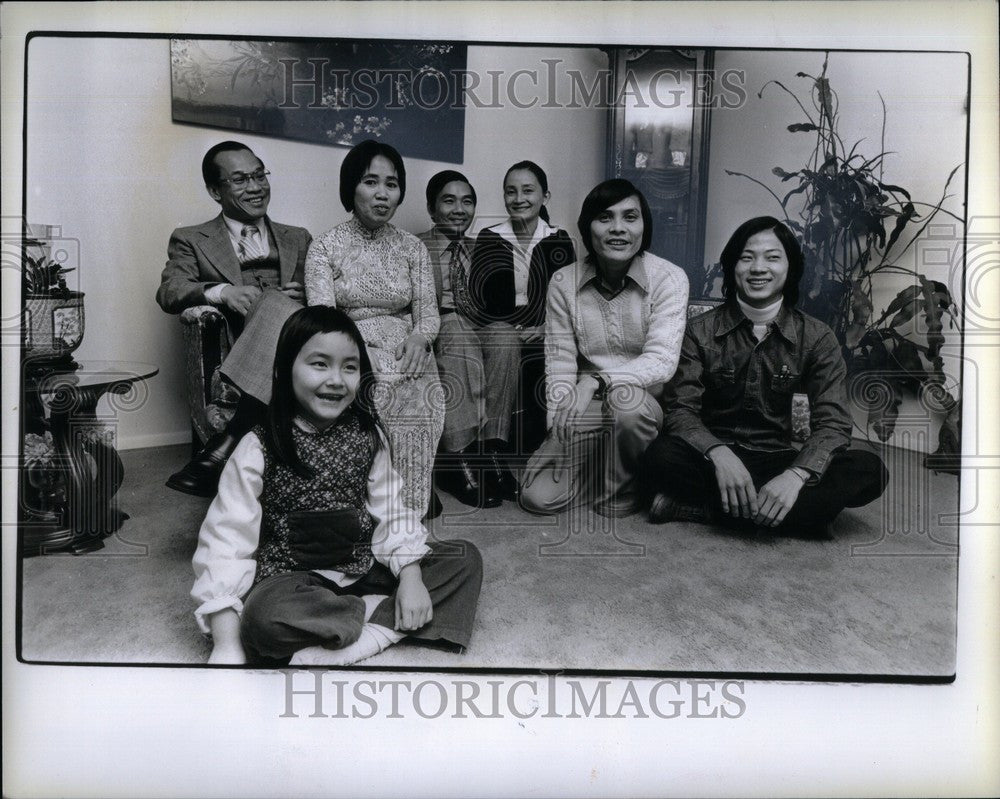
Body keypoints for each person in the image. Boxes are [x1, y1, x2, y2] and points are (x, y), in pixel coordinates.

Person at [191, 305, 482, 666]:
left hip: (362, 569)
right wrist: (225, 640)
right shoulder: (259, 444)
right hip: (293, 581)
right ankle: (380, 620)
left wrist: (410, 577)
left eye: (349, 367)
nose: (336, 379)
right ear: (284, 370)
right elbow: (226, 538)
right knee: (260, 621)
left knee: (464, 559)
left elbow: (391, 509)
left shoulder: (368, 435)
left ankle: (362, 633)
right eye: (319, 364)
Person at [643, 216, 889, 536]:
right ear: (732, 266)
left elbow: (834, 423)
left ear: (790, 268)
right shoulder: (699, 331)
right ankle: (799, 519)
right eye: (747, 257)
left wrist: (795, 476)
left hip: (779, 458)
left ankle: (704, 509)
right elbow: (681, 411)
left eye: (772, 257)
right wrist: (719, 454)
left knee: (870, 470)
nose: (759, 268)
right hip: (715, 458)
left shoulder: (817, 336)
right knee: (658, 456)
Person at [520, 179, 689, 517]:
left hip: (643, 406)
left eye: (630, 217)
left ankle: (622, 486)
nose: (618, 229)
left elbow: (661, 362)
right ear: (588, 227)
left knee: (626, 406)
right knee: (537, 498)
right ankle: (612, 463)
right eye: (605, 218)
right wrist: (558, 431)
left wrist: (596, 381)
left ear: (644, 226)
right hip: (588, 407)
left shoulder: (669, 278)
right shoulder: (563, 282)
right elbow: (560, 362)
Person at [157, 141, 312, 497]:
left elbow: (324, 290)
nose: (256, 187)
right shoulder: (191, 239)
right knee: (272, 305)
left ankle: (228, 441)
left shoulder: (298, 237)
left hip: (301, 339)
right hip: (239, 340)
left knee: (278, 304)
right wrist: (223, 292)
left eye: (260, 175)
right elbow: (170, 290)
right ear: (215, 191)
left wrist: (306, 295)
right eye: (240, 180)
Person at [304, 140, 444, 517]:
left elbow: (428, 313)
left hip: (406, 346)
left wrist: (419, 337)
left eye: (392, 184)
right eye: (370, 182)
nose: (382, 194)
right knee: (376, 390)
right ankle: (371, 507)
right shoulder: (325, 246)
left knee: (420, 398)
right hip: (350, 345)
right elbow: (323, 317)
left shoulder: (413, 248)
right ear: (351, 187)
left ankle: (409, 510)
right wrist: (359, 352)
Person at [417, 170, 522, 508]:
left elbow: (500, 307)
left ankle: (492, 450)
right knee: (455, 327)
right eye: (449, 201)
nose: (460, 209)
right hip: (438, 327)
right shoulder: (415, 246)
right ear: (432, 210)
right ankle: (457, 456)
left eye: (468, 201)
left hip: (479, 325)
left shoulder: (487, 249)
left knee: (504, 336)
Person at [468, 160, 576, 457]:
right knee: (505, 343)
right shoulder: (490, 238)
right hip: (499, 329)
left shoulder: (560, 240)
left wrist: (545, 328)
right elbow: (481, 299)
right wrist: (508, 328)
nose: (518, 199)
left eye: (528, 190)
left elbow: (569, 301)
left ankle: (532, 447)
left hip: (545, 330)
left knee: (546, 354)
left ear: (545, 196)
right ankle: (494, 450)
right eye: (511, 191)